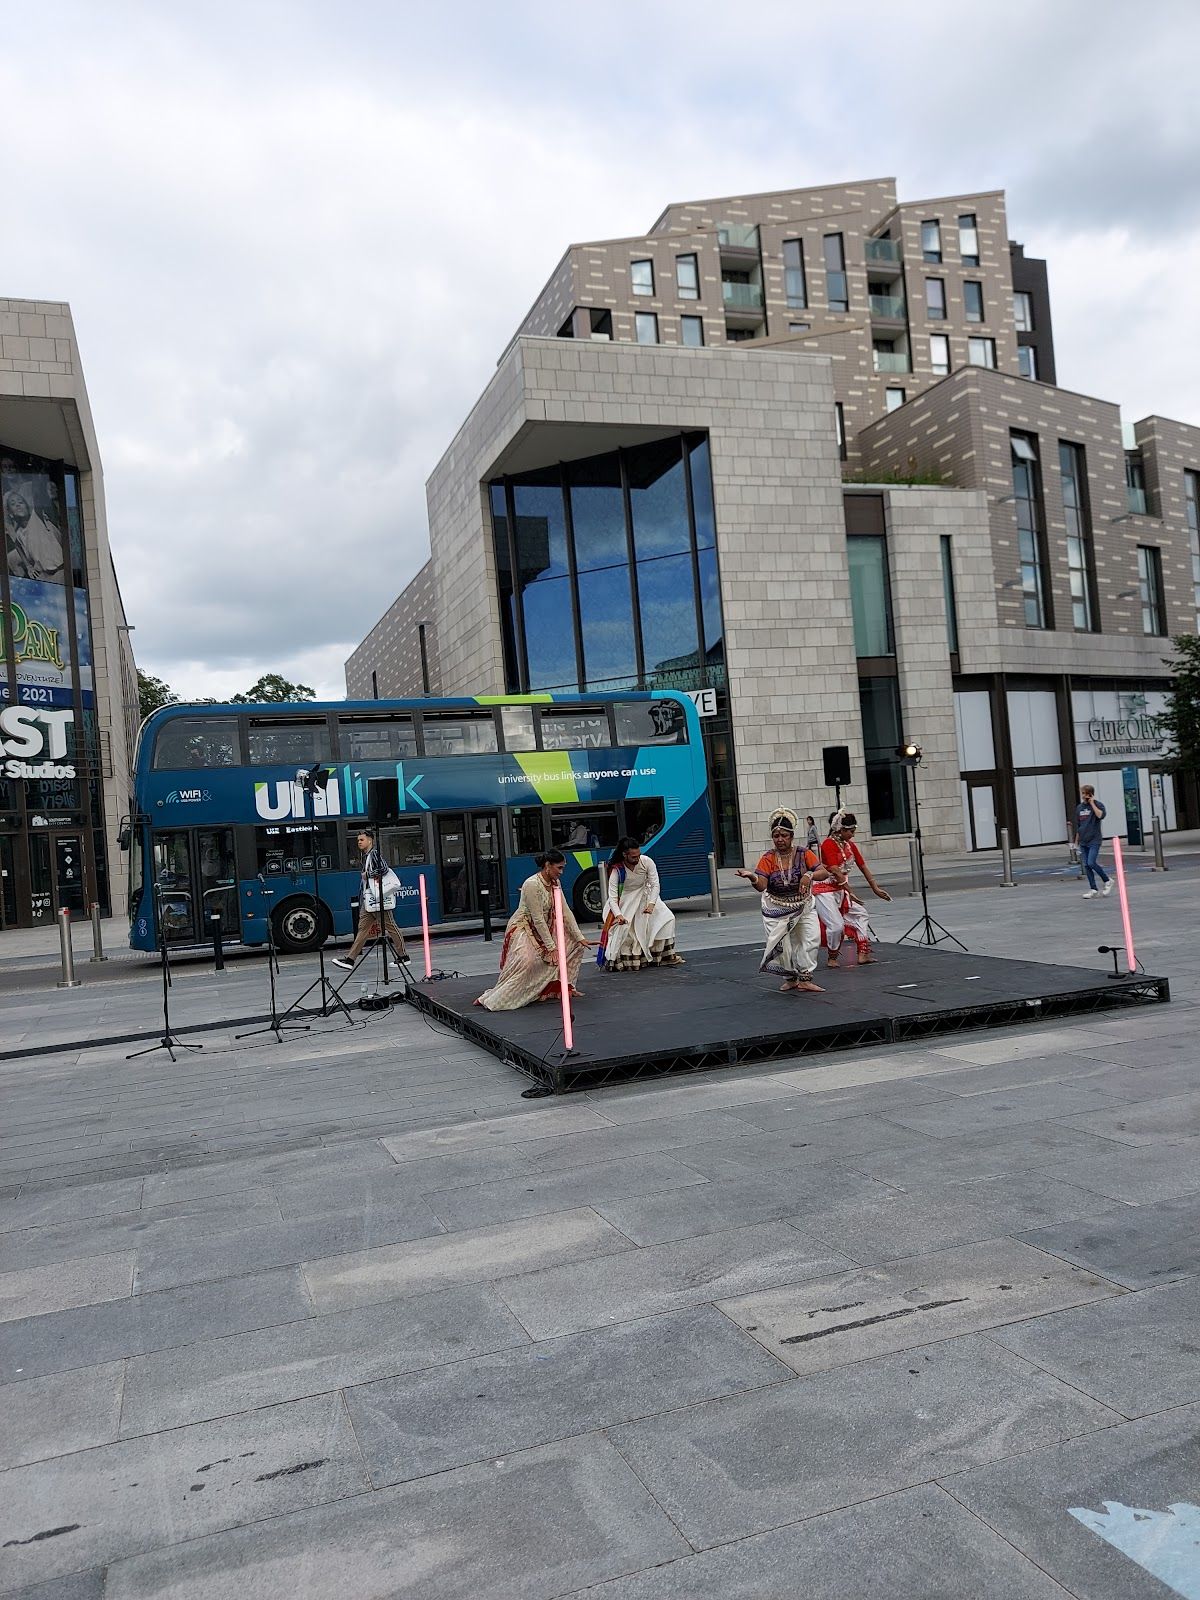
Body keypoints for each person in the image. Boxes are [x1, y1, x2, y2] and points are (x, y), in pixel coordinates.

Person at [475, 849, 593, 1010]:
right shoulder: (531, 884)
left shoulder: (554, 883)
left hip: (543, 926)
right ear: (547, 865)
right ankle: (498, 998)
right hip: (524, 927)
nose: (562, 872)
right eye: (559, 868)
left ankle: (553, 988)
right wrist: (551, 947)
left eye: (563, 868)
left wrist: (579, 937)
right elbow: (537, 919)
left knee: (575, 944)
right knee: (527, 962)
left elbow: (565, 911)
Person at [735, 807, 828, 993]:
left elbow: (823, 872)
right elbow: (761, 885)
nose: (780, 839)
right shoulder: (768, 858)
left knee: (811, 938)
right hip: (776, 908)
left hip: (803, 905)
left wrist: (809, 875)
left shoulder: (804, 854)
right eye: (776, 836)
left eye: (784, 835)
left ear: (791, 836)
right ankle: (791, 978)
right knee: (784, 946)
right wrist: (752, 877)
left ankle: (805, 978)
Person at [815, 810, 891, 967]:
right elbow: (836, 872)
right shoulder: (828, 845)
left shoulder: (849, 846)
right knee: (835, 926)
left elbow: (863, 867)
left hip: (840, 890)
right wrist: (850, 892)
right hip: (824, 891)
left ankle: (863, 954)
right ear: (840, 829)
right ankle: (832, 957)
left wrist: (875, 889)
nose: (853, 835)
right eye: (851, 831)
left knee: (861, 914)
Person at [597, 836, 684, 972]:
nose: (637, 859)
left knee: (667, 919)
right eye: (633, 857)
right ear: (624, 855)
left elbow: (655, 884)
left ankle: (662, 956)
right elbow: (613, 897)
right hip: (624, 900)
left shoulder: (647, 861)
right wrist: (618, 915)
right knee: (626, 929)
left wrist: (651, 904)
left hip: (646, 896)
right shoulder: (617, 870)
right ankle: (630, 960)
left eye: (638, 855)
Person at [333, 829, 408, 969]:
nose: (359, 843)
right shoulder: (367, 856)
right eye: (358, 841)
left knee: (390, 926)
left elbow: (384, 869)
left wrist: (367, 874)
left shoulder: (374, 854)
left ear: (370, 840)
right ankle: (350, 960)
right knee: (362, 929)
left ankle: (404, 956)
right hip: (370, 900)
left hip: (377, 899)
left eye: (361, 840)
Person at [1074, 785, 1112, 899]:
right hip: (1083, 841)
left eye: (1085, 793)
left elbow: (1100, 815)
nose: (1083, 796)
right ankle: (1093, 889)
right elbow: (1078, 826)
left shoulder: (1098, 805)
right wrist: (1076, 842)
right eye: (1082, 793)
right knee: (1086, 865)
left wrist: (1092, 803)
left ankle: (1107, 880)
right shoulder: (1079, 808)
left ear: (1090, 794)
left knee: (1091, 862)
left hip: (1094, 839)